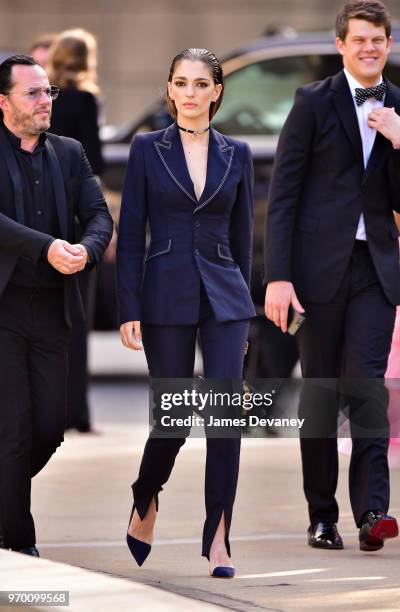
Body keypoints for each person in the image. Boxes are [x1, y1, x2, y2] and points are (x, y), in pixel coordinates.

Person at [264, 0, 400, 553]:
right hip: (317, 274)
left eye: (379, 40)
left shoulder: (399, 109)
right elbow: (284, 195)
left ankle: (372, 511)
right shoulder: (312, 102)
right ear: (341, 45)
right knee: (322, 393)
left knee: (366, 387)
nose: (370, 48)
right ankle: (322, 514)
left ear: (388, 45)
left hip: (376, 270)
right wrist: (279, 277)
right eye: (359, 39)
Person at [117, 48, 255, 577]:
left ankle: (219, 534)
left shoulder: (237, 152)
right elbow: (131, 234)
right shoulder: (146, 149)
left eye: (202, 84)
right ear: (169, 90)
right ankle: (145, 496)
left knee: (225, 416)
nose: (192, 92)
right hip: (165, 293)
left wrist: (241, 307)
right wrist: (128, 304)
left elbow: (243, 240)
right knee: (173, 420)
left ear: (217, 91)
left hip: (225, 296)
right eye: (182, 83)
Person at [0, 55, 113, 555]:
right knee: (14, 429)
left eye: (48, 93)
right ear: (3, 102)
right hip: (3, 309)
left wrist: (85, 250)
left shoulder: (69, 152)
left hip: (53, 309)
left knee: (50, 426)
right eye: (33, 93)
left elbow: (98, 215)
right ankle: (19, 540)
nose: (46, 101)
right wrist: (44, 245)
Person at [46, 28, 104, 432]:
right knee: (77, 320)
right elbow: (95, 161)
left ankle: (49, 410)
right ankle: (78, 415)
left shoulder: (43, 98)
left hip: (41, 220)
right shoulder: (85, 101)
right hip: (78, 223)